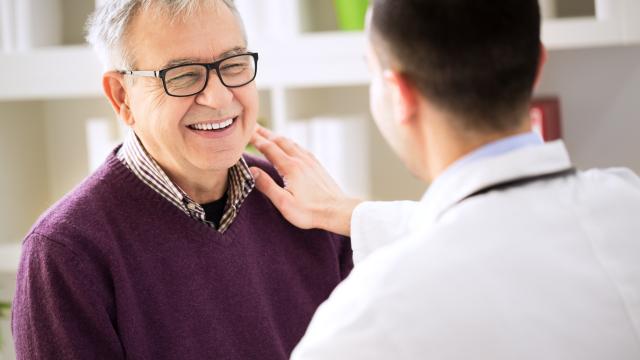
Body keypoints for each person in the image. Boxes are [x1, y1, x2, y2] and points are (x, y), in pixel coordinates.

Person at [249, 0, 640, 359]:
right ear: (538, 65)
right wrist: (351, 213)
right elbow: (501, 230)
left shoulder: (365, 321)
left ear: (399, 93)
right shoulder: (626, 203)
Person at [11, 1, 352, 359]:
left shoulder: (305, 201)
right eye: (184, 75)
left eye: (233, 65)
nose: (219, 97)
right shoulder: (66, 251)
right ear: (122, 96)